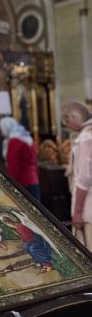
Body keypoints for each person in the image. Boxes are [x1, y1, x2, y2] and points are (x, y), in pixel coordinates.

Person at [62, 101, 92, 250]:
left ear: (75, 119)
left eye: (67, 121)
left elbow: (84, 178)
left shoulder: (86, 138)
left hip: (88, 206)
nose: (67, 125)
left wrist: (78, 212)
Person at [0, 116, 40, 201]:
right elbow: (35, 163)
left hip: (22, 183)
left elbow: (13, 166)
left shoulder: (14, 142)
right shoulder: (27, 138)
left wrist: (11, 185)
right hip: (34, 181)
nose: (2, 132)